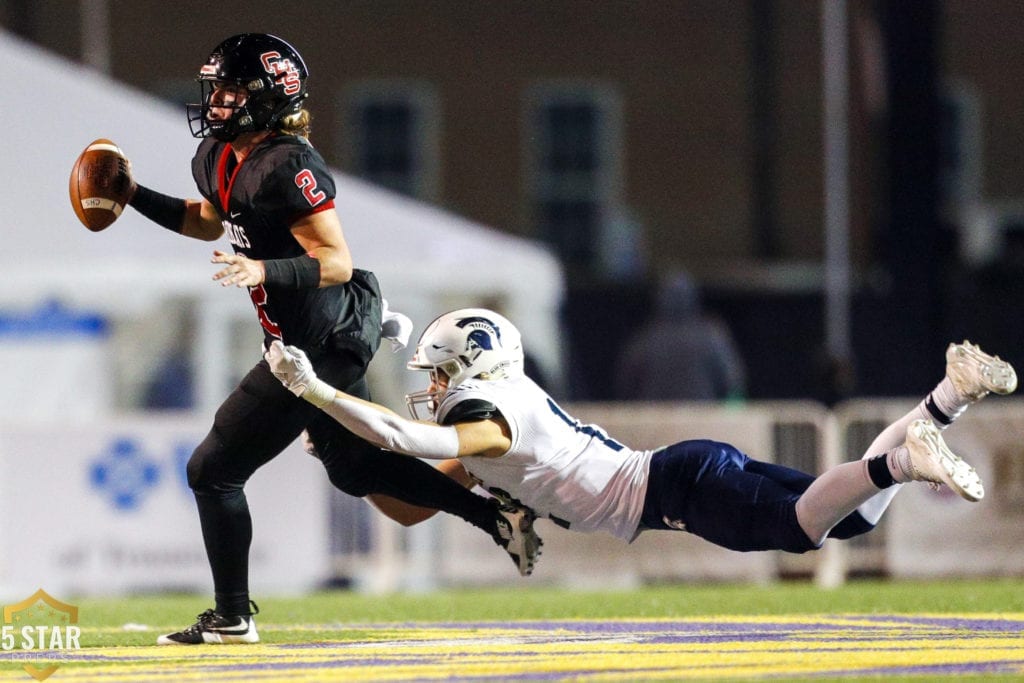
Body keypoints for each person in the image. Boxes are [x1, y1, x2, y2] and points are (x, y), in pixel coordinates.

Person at [119, 35, 539, 646]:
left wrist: (265, 269)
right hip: (302, 337)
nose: (216, 104)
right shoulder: (219, 154)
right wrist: (133, 197)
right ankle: (494, 511)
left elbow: (336, 260)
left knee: (213, 469)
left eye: (232, 92)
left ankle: (232, 615)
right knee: (354, 466)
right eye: (216, 91)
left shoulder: (289, 164)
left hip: (324, 338)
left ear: (269, 97)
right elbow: (208, 218)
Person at [265, 307, 1017, 565]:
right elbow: (415, 502)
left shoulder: (489, 419)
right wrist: (344, 463)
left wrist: (321, 395)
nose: (430, 385)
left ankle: (899, 460)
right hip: (678, 473)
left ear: (467, 365)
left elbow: (408, 441)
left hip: (674, 486)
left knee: (803, 529)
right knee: (843, 514)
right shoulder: (492, 423)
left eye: (438, 371)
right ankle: (947, 394)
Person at [615, 271, 745, 401]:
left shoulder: (646, 338)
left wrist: (733, 414)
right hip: (659, 416)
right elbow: (733, 384)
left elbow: (734, 386)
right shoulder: (648, 338)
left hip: (696, 416)